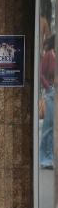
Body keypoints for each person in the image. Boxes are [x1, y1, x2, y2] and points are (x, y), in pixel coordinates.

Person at [40, 35, 55, 169]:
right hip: (51, 92)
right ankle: (45, 158)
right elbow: (41, 74)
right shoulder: (49, 56)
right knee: (49, 127)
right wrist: (49, 88)